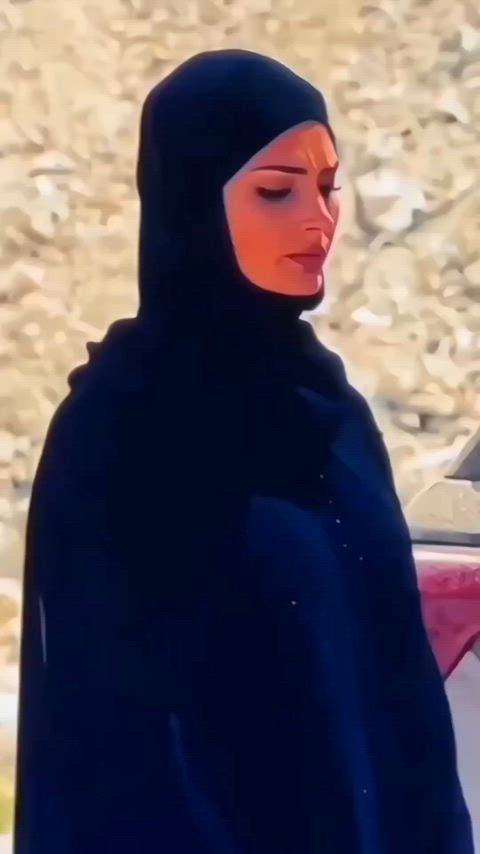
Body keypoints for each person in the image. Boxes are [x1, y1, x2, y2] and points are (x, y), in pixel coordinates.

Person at [14, 49, 473, 854]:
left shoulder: (332, 420)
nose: (318, 219)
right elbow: (113, 747)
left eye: (328, 186)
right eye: (276, 190)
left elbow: (404, 720)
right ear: (192, 201)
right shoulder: (121, 432)